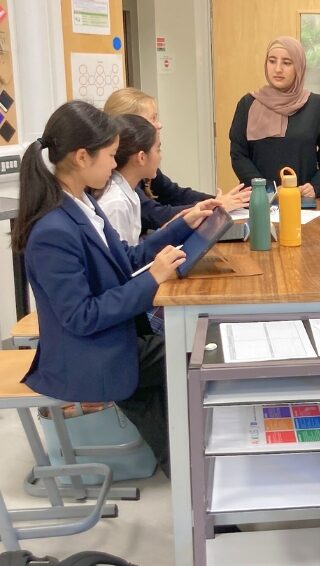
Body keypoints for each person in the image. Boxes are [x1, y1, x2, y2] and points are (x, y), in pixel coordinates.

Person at [11, 100, 221, 477]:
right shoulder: (52, 231)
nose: (114, 164)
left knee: (187, 351)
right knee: (191, 356)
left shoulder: (82, 204)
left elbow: (126, 256)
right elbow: (82, 316)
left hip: (113, 336)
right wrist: (153, 278)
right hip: (88, 354)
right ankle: (191, 472)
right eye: (109, 156)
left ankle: (189, 467)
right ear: (80, 158)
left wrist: (183, 223)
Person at [104, 87, 250, 231]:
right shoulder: (117, 188)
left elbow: (175, 194)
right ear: (131, 125)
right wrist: (215, 206)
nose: (159, 124)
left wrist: (218, 201)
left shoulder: (141, 169)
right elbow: (156, 215)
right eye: (153, 118)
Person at [229, 36, 320, 198]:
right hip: (261, 201)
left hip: (303, 202)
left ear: (299, 67)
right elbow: (239, 155)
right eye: (272, 61)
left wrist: (316, 187)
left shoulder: (317, 106)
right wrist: (268, 190)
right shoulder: (248, 104)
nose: (278, 69)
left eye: (287, 63)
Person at [95, 114, 160, 244]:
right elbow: (123, 261)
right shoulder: (116, 203)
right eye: (158, 149)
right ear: (141, 157)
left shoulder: (130, 192)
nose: (160, 157)